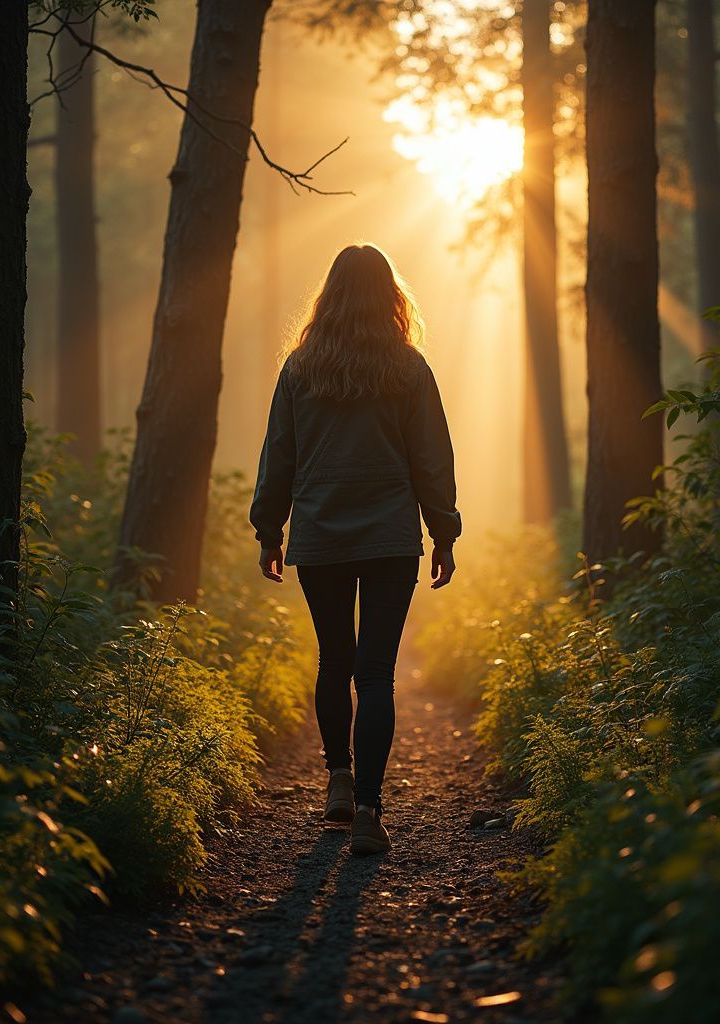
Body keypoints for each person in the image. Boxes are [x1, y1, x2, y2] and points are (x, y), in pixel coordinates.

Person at [250, 243, 461, 855]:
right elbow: (432, 458)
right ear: (390, 296)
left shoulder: (300, 369)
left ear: (330, 295)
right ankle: (369, 810)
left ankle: (338, 781)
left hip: (321, 536)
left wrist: (270, 529)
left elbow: (278, 457)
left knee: (333, 660)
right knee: (375, 673)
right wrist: (443, 531)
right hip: (392, 538)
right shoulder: (408, 367)